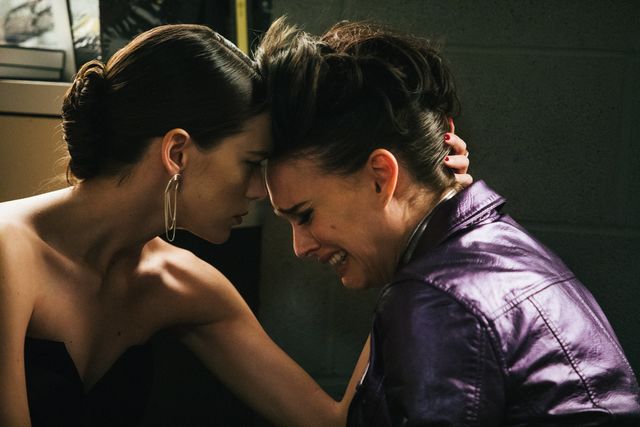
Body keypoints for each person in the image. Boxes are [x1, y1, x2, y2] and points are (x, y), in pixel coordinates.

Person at [0, 24, 471, 426]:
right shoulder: (8, 251)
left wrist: (423, 215)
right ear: (177, 153)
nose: (259, 191)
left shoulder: (178, 284)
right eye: (250, 163)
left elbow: (331, 422)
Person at [255, 18, 640, 426]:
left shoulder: (439, 301)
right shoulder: (493, 245)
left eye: (305, 215)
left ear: (380, 177)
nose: (300, 247)